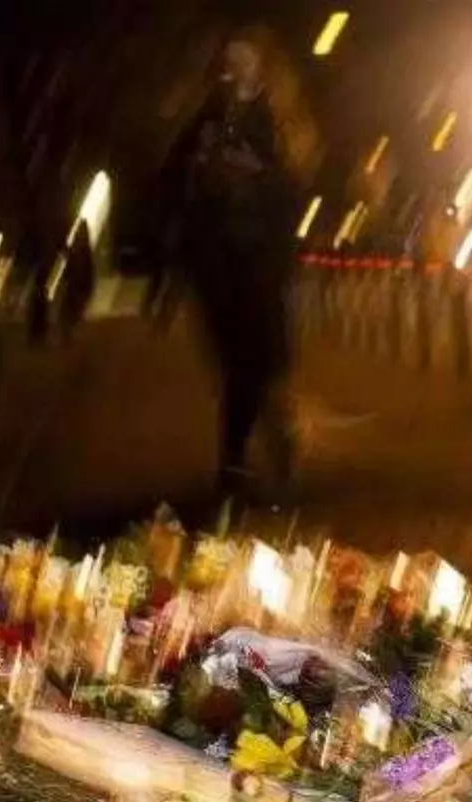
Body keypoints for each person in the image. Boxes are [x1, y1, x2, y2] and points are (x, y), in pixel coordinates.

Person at [164, 29, 315, 506]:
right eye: (230, 59)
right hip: (215, 257)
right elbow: (173, 170)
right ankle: (250, 446)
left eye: (246, 59)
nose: (237, 68)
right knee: (234, 360)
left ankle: (248, 453)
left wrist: (254, 169)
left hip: (260, 256)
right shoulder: (207, 111)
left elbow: (295, 180)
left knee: (260, 357)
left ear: (263, 65)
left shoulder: (279, 117)